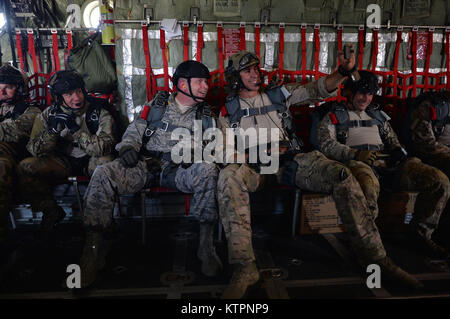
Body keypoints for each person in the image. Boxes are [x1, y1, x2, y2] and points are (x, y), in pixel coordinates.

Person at [217, 50, 421, 299]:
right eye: (247, 70)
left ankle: (375, 259)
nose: (255, 74)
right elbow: (226, 151)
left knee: (343, 176)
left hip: (292, 162)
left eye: (256, 69)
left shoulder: (278, 95)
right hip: (255, 169)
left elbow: (316, 89)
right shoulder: (228, 111)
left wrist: (343, 72)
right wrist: (256, 156)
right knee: (228, 176)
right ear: (235, 77)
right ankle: (244, 266)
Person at [79, 60, 222, 288]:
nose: (206, 86)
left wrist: (197, 154)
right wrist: (127, 147)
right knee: (103, 173)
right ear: (182, 83)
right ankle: (93, 249)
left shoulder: (206, 115)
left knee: (207, 170)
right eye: (200, 81)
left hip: (179, 171)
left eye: (207, 81)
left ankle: (206, 244)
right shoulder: (159, 104)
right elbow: (136, 129)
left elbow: (215, 147)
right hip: (145, 164)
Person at [316, 70, 450, 261]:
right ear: (349, 92)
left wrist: (397, 151)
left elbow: (393, 140)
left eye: (370, 94)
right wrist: (356, 154)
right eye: (361, 93)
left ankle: (420, 234)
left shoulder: (377, 115)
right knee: (369, 186)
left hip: (386, 162)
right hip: (358, 162)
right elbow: (326, 144)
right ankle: (366, 244)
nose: (366, 98)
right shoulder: (335, 115)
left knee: (438, 181)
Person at [17, 70, 116, 232]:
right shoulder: (48, 115)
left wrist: (76, 130)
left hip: (91, 159)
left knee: (105, 163)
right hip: (63, 161)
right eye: (69, 94)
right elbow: (34, 150)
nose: (76, 98)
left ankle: (101, 223)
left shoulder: (98, 112)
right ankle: (51, 211)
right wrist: (52, 132)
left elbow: (102, 148)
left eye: (78, 91)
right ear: (58, 97)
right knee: (25, 167)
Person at [0, 65, 41, 242]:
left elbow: (15, 131)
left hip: (12, 158)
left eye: (8, 87)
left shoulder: (32, 111)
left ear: (19, 88)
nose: (1, 92)